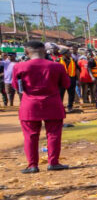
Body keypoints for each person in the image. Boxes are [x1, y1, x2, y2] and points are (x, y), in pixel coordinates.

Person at [13, 40, 71, 174]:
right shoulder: (57, 66)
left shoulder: (20, 67)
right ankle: (53, 162)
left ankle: (32, 165)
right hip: (53, 104)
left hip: (29, 106)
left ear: (27, 52)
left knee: (30, 136)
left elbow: (17, 87)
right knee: (54, 134)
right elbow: (66, 84)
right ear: (44, 51)